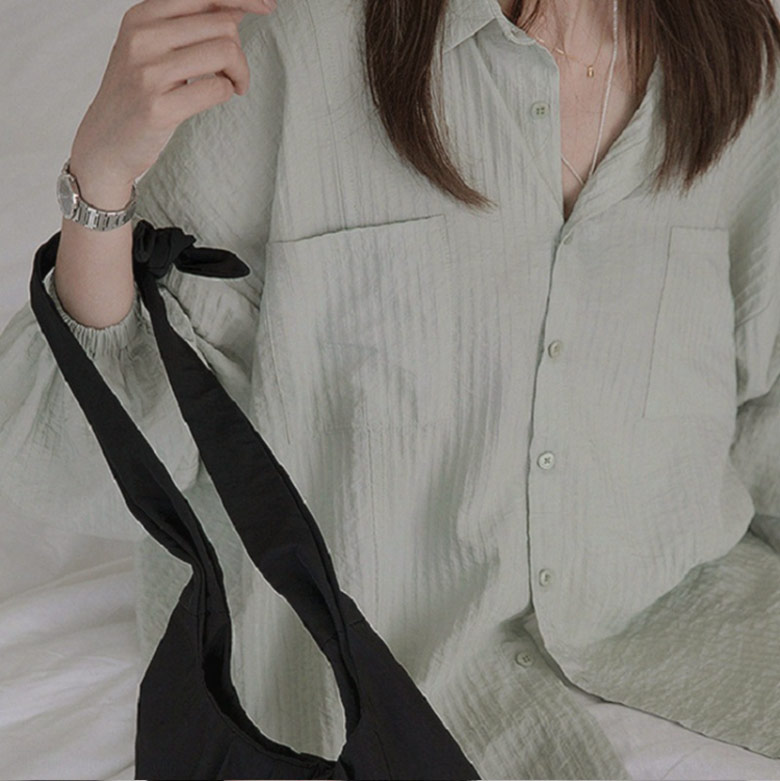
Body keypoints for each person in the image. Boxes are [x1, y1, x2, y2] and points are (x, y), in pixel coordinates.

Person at [1, 0, 780, 777]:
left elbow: (763, 409)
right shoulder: (291, 45)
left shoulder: (743, 62)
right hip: (354, 676)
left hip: (700, 622)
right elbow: (82, 466)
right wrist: (100, 181)